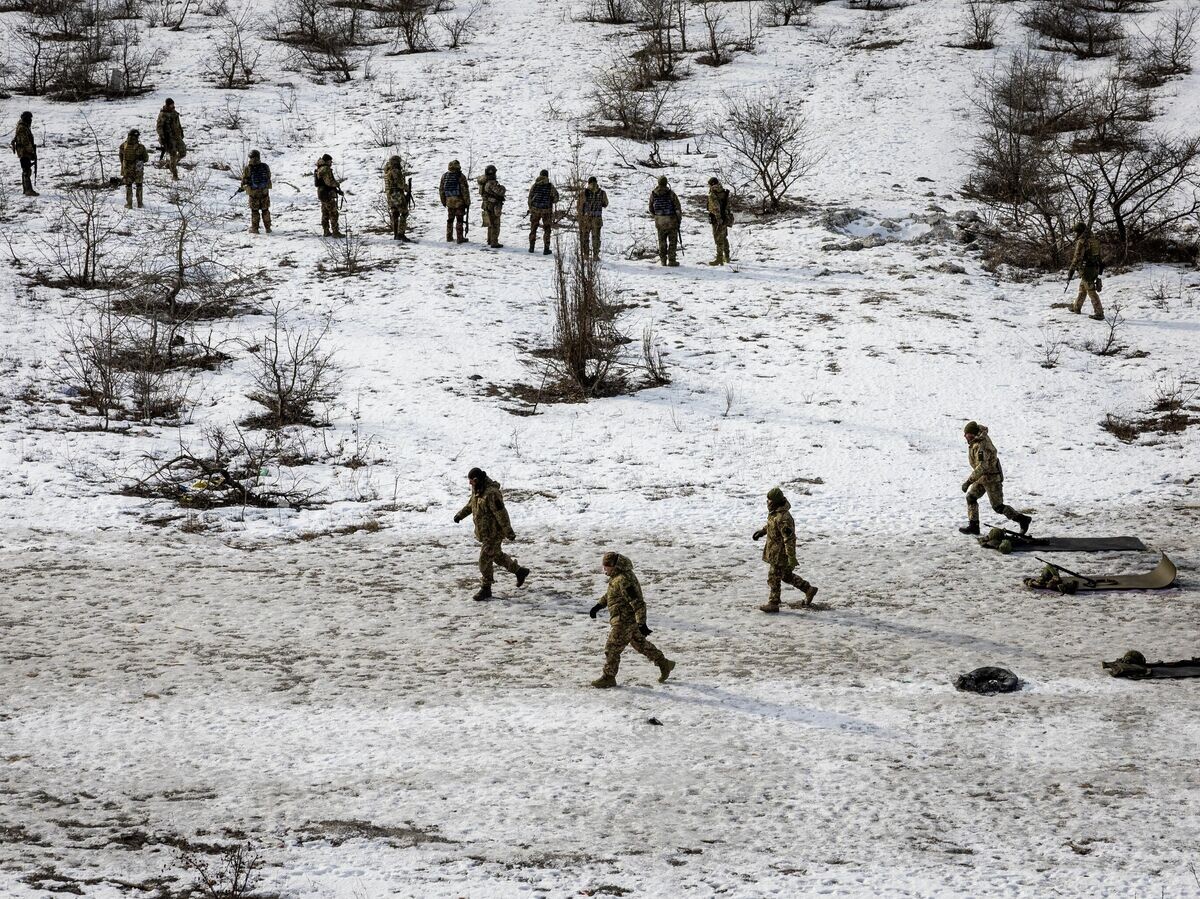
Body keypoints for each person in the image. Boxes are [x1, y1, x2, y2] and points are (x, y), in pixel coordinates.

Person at [588, 552, 675, 688]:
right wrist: (598, 606)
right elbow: (611, 594)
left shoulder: (624, 580)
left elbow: (637, 602)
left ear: (614, 566)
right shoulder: (617, 577)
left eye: (607, 567)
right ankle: (664, 663)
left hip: (624, 621)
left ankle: (608, 677)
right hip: (625, 620)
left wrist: (642, 623)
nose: (604, 570)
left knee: (612, 648)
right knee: (640, 644)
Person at [452, 467, 529, 601]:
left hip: (494, 534)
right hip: (485, 533)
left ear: (476, 480)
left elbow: (501, 514)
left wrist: (508, 532)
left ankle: (486, 588)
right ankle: (519, 571)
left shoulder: (492, 493)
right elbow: (471, 505)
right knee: (496, 556)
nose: (470, 484)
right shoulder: (478, 489)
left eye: (471, 482)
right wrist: (460, 515)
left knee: (484, 561)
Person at [959, 421, 1032, 536]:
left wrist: (968, 482)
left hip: (992, 479)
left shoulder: (982, 445)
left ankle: (1022, 520)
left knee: (998, 507)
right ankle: (974, 526)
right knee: (971, 497)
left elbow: (982, 467)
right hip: (982, 478)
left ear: (973, 434)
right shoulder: (975, 441)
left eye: (967, 434)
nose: (965, 437)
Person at [752, 487, 818, 613]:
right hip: (775, 551)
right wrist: (763, 531)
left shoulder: (784, 517)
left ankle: (773, 603)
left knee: (773, 576)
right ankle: (808, 589)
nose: (768, 502)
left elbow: (789, 539)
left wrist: (791, 557)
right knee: (786, 576)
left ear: (776, 501)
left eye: (769, 500)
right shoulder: (775, 513)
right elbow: (772, 526)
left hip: (781, 554)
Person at [1068, 222, 1104, 320]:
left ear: (1080, 232)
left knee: (1090, 290)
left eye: (1077, 232)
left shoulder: (1082, 241)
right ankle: (1076, 307)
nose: (1076, 234)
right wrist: (1100, 266)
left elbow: (1077, 257)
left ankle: (1099, 312)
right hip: (1095, 267)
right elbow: (1099, 255)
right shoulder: (1094, 240)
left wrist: (1071, 269)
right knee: (1083, 287)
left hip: (1087, 269)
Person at [648, 175, 682, 267]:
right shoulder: (671, 193)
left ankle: (663, 260)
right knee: (672, 241)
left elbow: (651, 208)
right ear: (666, 183)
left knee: (662, 242)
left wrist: (657, 216)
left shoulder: (653, 194)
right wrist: (679, 220)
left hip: (660, 222)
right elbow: (677, 208)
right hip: (671, 221)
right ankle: (672, 260)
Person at [527, 169, 559, 255]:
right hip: (546, 211)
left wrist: (531, 208)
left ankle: (531, 247)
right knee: (547, 229)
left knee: (533, 228)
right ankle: (546, 249)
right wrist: (551, 200)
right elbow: (556, 198)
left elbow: (530, 199)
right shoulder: (550, 186)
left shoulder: (535, 185)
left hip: (535, 210)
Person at [240, 150, 272, 234]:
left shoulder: (248, 168)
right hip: (264, 191)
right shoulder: (265, 166)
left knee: (254, 211)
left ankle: (255, 229)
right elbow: (269, 176)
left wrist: (243, 186)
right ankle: (268, 228)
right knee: (265, 210)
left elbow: (244, 181)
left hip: (253, 193)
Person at [438, 159, 470, 243]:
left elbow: (441, 190)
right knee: (459, 219)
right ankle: (460, 238)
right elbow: (464, 190)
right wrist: (467, 202)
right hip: (459, 201)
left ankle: (449, 237)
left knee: (450, 219)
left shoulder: (444, 176)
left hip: (449, 201)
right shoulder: (460, 176)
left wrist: (443, 201)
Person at [576, 176, 608, 260]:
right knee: (596, 237)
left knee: (585, 237)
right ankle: (595, 255)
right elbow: (605, 204)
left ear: (588, 183)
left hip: (586, 218)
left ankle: (586, 255)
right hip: (597, 218)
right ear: (596, 182)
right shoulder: (602, 193)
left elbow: (579, 207)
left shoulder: (583, 193)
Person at [155, 98, 186, 181]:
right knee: (173, 155)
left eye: (173, 104)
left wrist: (181, 132)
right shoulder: (163, 114)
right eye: (171, 105)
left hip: (177, 136)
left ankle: (170, 164)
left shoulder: (174, 113)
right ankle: (175, 175)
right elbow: (159, 127)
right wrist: (162, 137)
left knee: (183, 152)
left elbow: (178, 124)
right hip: (169, 138)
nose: (173, 106)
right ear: (167, 105)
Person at [314, 153, 343, 237]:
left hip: (321, 193)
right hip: (327, 194)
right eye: (330, 161)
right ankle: (335, 232)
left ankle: (326, 231)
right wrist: (337, 184)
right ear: (327, 161)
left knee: (325, 212)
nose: (331, 163)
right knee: (333, 213)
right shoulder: (326, 169)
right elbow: (329, 182)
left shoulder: (319, 168)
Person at [383, 155, 411, 242]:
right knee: (404, 213)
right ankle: (401, 234)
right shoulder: (395, 171)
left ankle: (396, 234)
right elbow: (400, 184)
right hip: (397, 194)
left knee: (395, 213)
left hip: (390, 195)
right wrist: (407, 188)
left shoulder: (387, 172)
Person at [119, 129, 149, 209]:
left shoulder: (123, 146)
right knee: (139, 185)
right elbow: (146, 159)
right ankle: (140, 203)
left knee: (128, 186)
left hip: (127, 169)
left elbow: (121, 158)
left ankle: (129, 204)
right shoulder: (141, 147)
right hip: (138, 169)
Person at [477, 164, 506, 248]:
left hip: (486, 204)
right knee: (495, 224)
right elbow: (501, 191)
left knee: (490, 223)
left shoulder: (483, 181)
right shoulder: (491, 183)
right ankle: (494, 242)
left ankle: (490, 240)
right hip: (493, 205)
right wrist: (503, 188)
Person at [706, 176, 733, 266]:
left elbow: (716, 208)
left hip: (717, 219)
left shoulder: (712, 194)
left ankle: (719, 258)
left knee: (718, 239)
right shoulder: (723, 192)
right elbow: (728, 206)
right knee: (724, 237)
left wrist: (718, 219)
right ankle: (727, 256)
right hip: (725, 217)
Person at [10, 111, 37, 197]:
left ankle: (26, 189)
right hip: (24, 151)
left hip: (24, 151)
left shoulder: (24, 126)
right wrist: (31, 152)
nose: (31, 120)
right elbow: (25, 142)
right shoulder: (22, 127)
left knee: (26, 169)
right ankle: (28, 190)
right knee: (26, 170)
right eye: (29, 118)